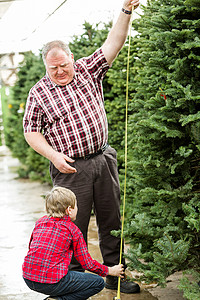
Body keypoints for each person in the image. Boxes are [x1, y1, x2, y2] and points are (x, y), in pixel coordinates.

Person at [23, 0, 140, 294]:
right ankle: (72, 283)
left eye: (64, 64)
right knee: (70, 228)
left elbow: (114, 43)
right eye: (53, 68)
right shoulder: (38, 93)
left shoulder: (88, 70)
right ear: (45, 66)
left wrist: (125, 11)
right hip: (70, 167)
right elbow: (31, 131)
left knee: (111, 219)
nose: (60, 71)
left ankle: (116, 274)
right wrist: (53, 155)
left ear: (72, 58)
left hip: (103, 159)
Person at [22, 186, 125, 300]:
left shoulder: (40, 222)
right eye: (76, 205)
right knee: (98, 283)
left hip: (28, 278)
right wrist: (110, 270)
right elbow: (87, 264)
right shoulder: (73, 230)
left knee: (62, 276)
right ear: (70, 210)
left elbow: (32, 247)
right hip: (52, 281)